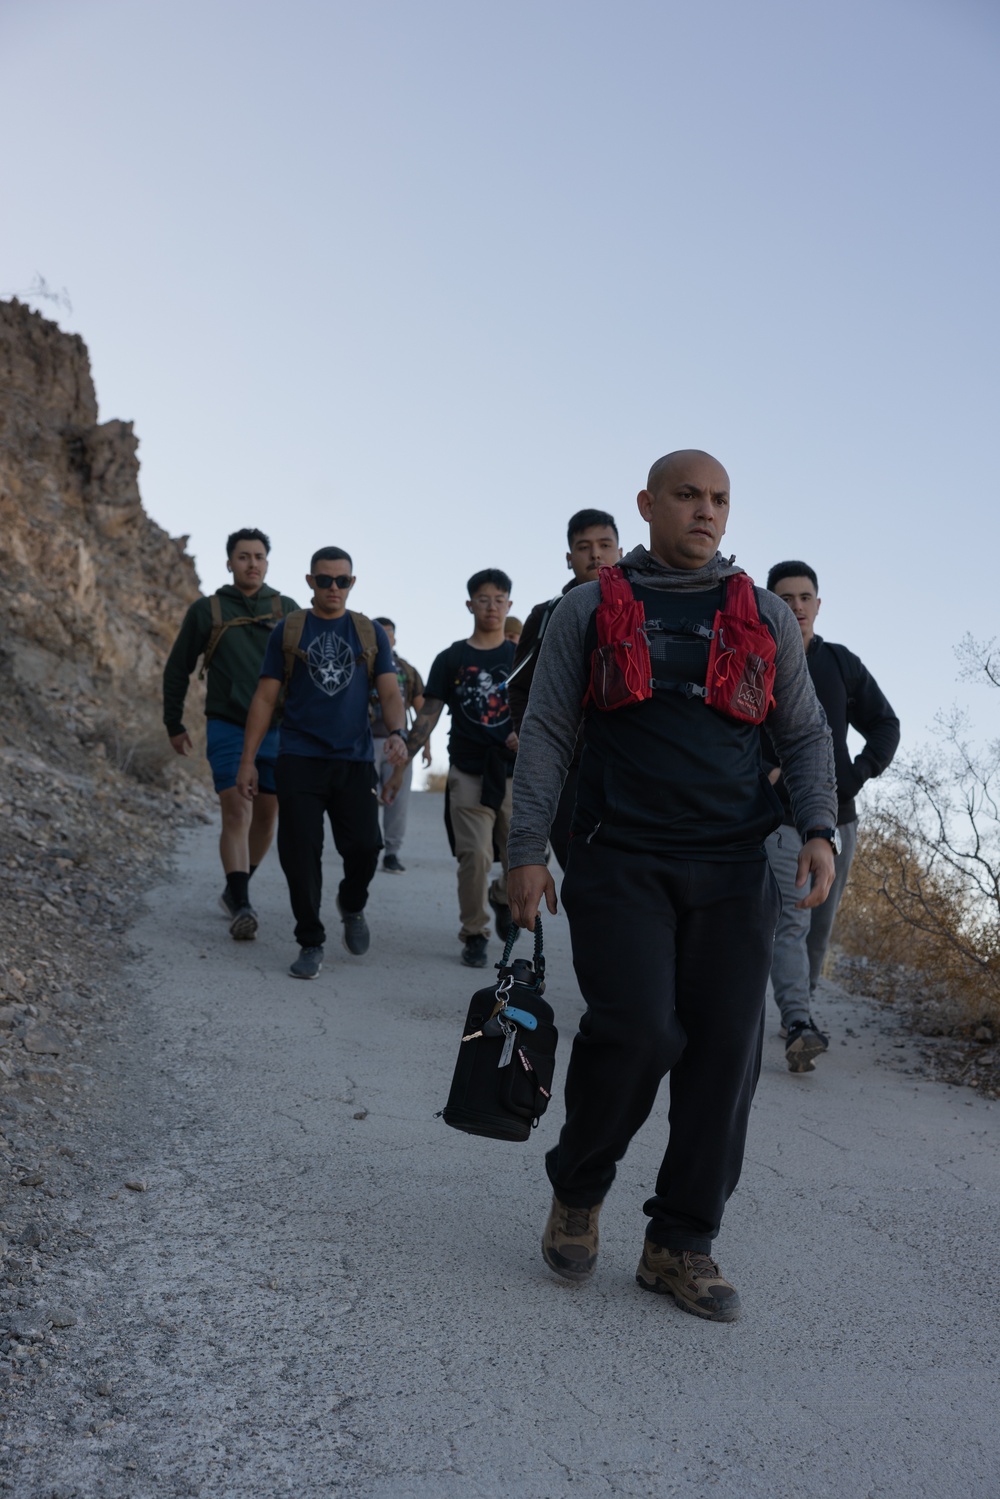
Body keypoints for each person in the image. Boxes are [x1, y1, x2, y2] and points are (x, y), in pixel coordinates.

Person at [507, 450, 838, 1322]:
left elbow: (804, 736)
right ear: (648, 504)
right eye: (689, 496)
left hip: (734, 863)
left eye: (720, 499)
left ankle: (681, 1242)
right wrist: (525, 849)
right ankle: (578, 1187)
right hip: (619, 855)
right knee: (640, 1028)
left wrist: (817, 828)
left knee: (727, 1051)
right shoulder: (589, 606)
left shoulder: (764, 612)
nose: (707, 511)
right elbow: (545, 732)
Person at [236, 548, 407, 980]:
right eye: (325, 580)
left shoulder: (369, 634)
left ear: (353, 582)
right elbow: (265, 697)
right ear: (310, 581)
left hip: (353, 759)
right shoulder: (288, 631)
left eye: (342, 580)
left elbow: (389, 692)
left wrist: (398, 735)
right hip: (299, 758)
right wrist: (248, 761)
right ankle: (310, 940)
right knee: (300, 852)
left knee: (367, 847)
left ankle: (352, 905)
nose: (334, 588)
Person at [761, 561, 900, 1072]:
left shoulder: (840, 663)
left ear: (818, 604)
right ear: (769, 604)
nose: (796, 606)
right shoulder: (755, 660)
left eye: (804, 597)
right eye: (785, 597)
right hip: (781, 821)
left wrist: (857, 775)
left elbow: (885, 724)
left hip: (840, 820)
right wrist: (766, 772)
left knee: (819, 928)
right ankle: (799, 1021)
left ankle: (801, 1011)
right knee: (793, 923)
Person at [163, 528, 299, 941]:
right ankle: (241, 902)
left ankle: (234, 887)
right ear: (229, 562)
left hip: (277, 729)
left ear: (267, 563)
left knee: (267, 815)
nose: (252, 563)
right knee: (238, 809)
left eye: (258, 556)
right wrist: (174, 723)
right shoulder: (207, 611)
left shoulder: (287, 610)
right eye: (243, 556)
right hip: (226, 724)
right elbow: (178, 667)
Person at [387, 569, 517, 968]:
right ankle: (474, 932)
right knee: (474, 855)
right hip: (468, 770)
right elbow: (428, 713)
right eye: (483, 599)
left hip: (516, 772)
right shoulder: (452, 659)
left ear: (509, 605)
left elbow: (544, 709)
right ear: (469, 605)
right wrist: (400, 764)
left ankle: (502, 895)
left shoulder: (521, 657)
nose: (491, 606)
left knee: (526, 855)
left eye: (499, 599)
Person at [508, 508, 622, 870]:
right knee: (580, 873)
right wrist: (534, 745)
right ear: (569, 558)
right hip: (568, 769)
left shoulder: (643, 607)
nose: (596, 554)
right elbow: (519, 688)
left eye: (605, 545)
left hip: (631, 766)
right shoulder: (546, 615)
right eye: (584, 546)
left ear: (620, 552)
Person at [371, 616, 430, 874]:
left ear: (395, 637)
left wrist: (425, 746)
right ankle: (369, 848)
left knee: (398, 799)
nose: (385, 637)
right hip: (366, 740)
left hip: (399, 743)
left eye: (389, 633)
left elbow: (422, 709)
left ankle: (392, 853)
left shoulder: (407, 669)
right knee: (364, 798)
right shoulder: (363, 662)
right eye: (380, 633)